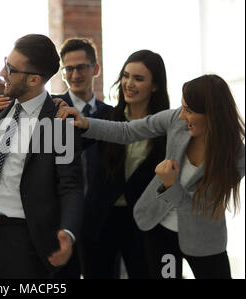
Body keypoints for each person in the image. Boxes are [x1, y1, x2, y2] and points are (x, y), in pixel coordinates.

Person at [58, 74, 245, 279]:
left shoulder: (237, 157)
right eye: (182, 108)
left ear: (212, 114)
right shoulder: (176, 120)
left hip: (203, 238)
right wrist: (86, 123)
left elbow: (199, 208)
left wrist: (170, 185)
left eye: (189, 111)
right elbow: (127, 131)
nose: (182, 116)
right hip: (160, 230)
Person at [0, 34, 84, 278]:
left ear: (33, 79)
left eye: (10, 68)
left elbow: (70, 185)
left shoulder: (60, 123)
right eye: (5, 62)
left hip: (26, 240)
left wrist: (68, 231)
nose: (2, 72)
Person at [82, 50, 169, 278]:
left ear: (155, 86)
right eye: (126, 76)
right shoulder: (106, 118)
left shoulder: (167, 129)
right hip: (100, 220)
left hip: (143, 224)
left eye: (138, 79)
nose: (128, 84)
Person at [51, 37, 112, 279]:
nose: (75, 74)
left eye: (81, 67)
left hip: (101, 219)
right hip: (61, 219)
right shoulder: (52, 109)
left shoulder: (110, 115)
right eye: (68, 69)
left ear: (95, 69)